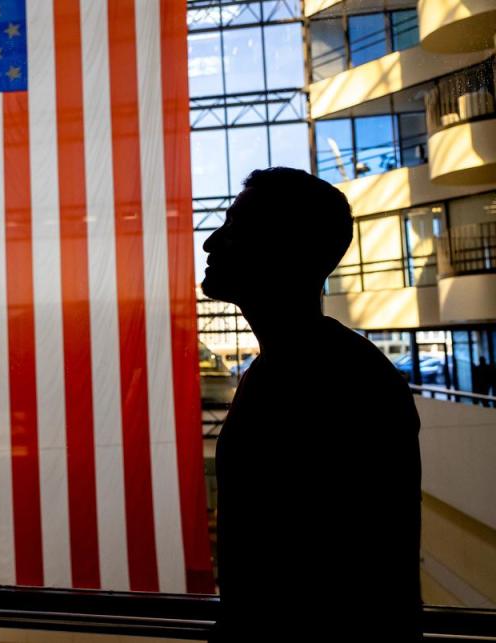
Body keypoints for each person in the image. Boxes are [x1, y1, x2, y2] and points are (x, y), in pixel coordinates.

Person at [202, 168, 422, 641]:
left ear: (282, 248)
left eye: (235, 227)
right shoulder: (330, 370)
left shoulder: (324, 380)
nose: (211, 243)